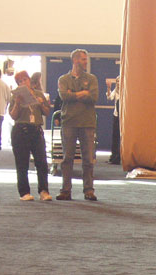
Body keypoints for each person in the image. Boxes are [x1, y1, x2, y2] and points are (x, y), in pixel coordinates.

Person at [56, 49, 98, 201]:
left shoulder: (92, 79)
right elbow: (64, 96)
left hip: (87, 123)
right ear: (75, 60)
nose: (86, 62)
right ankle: (66, 190)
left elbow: (93, 97)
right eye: (83, 59)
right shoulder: (63, 79)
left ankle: (89, 190)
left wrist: (73, 94)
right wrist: (82, 93)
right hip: (69, 122)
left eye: (86, 59)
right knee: (67, 158)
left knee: (88, 159)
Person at [8, 70, 52, 201]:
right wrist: (17, 103)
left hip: (36, 129)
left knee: (42, 162)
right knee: (22, 163)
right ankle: (24, 192)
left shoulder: (39, 94)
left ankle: (44, 191)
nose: (23, 82)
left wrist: (41, 103)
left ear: (29, 80)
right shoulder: (15, 96)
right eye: (20, 81)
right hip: (21, 129)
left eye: (25, 80)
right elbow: (13, 115)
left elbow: (46, 112)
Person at [106, 75, 120, 165]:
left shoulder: (126, 91)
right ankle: (113, 156)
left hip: (123, 117)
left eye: (119, 81)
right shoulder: (115, 91)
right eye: (117, 81)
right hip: (116, 115)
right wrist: (108, 88)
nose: (118, 83)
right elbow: (109, 98)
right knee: (115, 137)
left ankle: (119, 156)